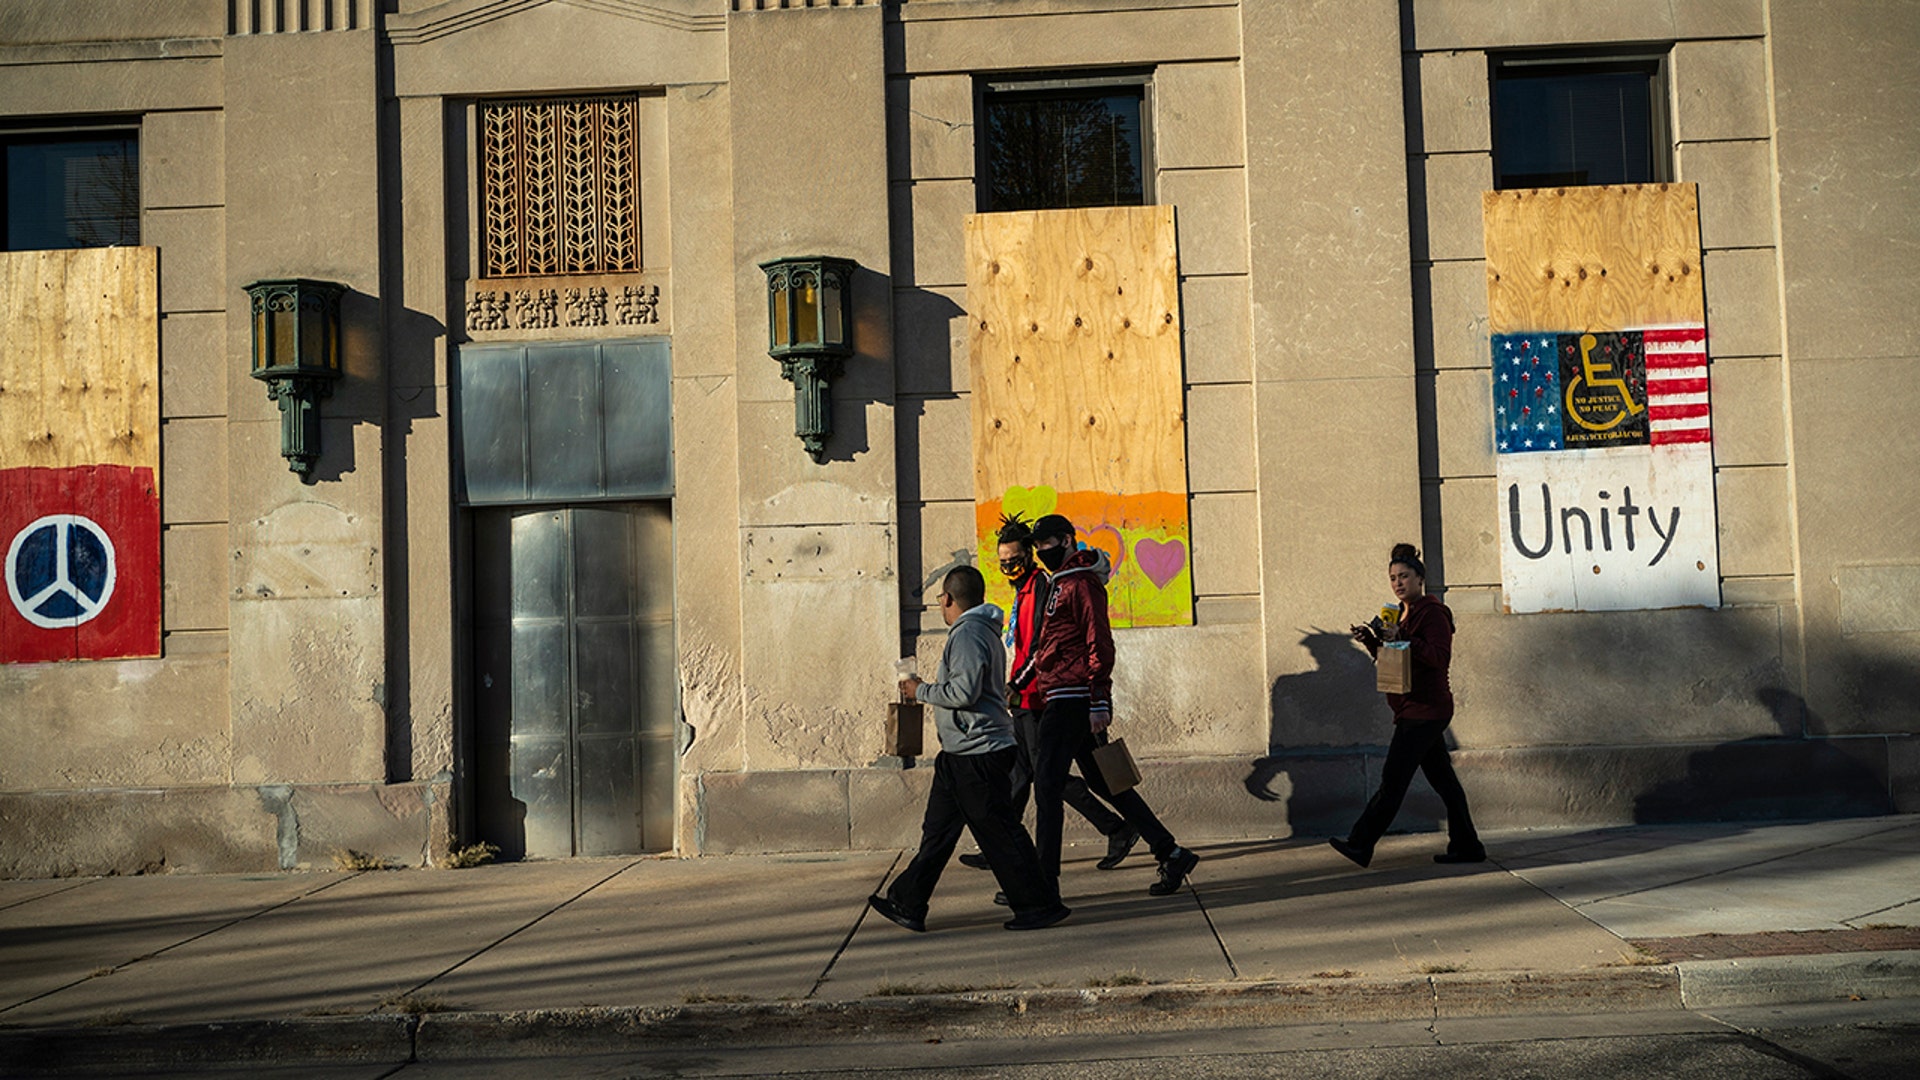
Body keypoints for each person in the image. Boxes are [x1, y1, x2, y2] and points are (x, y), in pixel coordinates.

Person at [868, 565, 1072, 933]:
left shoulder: (968, 635)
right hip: (960, 753)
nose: (941, 606)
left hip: (978, 752)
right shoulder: (979, 632)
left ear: (947, 598)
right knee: (938, 831)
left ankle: (1038, 904)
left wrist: (921, 690)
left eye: (940, 600)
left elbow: (964, 692)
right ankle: (907, 901)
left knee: (999, 832)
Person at [1012, 514, 1200, 897]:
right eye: (1038, 546)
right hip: (1060, 694)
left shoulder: (1081, 584)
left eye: (1046, 544)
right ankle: (1170, 851)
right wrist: (1016, 684)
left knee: (1047, 785)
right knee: (1104, 783)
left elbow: (1100, 642)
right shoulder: (1060, 583)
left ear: (1066, 540)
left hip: (1073, 698)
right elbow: (1045, 645)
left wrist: (1100, 699)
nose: (1041, 552)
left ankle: (1043, 885)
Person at [959, 513, 1139, 876]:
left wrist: (1016, 684)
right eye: (1003, 561)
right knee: (1021, 774)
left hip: (1043, 700)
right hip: (1028, 700)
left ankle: (1118, 828)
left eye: (1015, 559)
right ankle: (1003, 840)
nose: (1009, 566)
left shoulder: (1044, 586)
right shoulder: (1022, 591)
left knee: (1048, 778)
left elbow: (1045, 647)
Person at [1331, 543, 1485, 868]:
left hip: (1424, 711)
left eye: (1404, 576)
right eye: (1392, 578)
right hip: (1415, 709)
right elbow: (1397, 660)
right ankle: (1467, 845)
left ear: (1419, 579)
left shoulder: (1433, 613)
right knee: (1445, 783)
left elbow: (1439, 657)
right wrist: (1374, 640)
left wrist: (1404, 635)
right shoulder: (1404, 614)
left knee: (1393, 781)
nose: (1398, 583)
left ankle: (1361, 844)